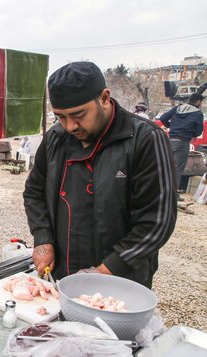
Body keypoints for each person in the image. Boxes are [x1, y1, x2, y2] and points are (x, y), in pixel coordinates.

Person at [23, 61, 177, 289]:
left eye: (78, 115)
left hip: (120, 278)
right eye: (61, 117)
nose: (70, 126)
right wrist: (43, 239)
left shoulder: (145, 138)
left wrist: (105, 270)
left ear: (104, 98)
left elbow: (157, 221)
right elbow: (34, 192)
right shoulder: (56, 138)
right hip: (63, 272)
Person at [159, 93, 204, 195]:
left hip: (170, 141)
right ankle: (173, 194)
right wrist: (191, 133)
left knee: (167, 166)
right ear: (198, 102)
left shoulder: (178, 108)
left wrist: (171, 126)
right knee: (177, 169)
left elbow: (163, 118)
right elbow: (198, 131)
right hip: (183, 142)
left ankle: (162, 190)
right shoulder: (198, 113)